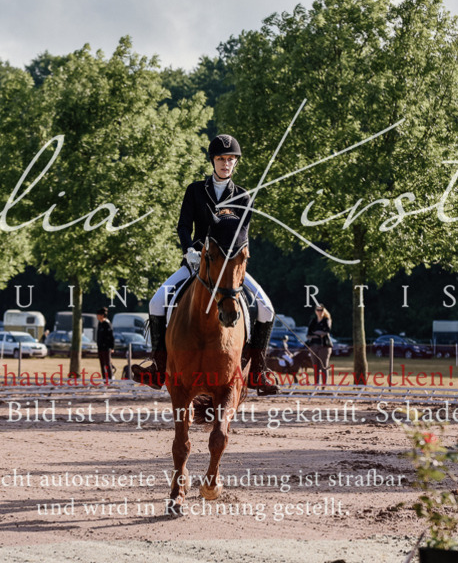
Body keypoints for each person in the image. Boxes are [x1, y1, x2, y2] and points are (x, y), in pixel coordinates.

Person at [136, 134, 278, 395]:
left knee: (266, 308)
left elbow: (243, 233)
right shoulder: (195, 190)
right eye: (221, 159)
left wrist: (236, 258)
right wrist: (188, 248)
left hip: (231, 267)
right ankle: (158, 367)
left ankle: (258, 372)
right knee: (156, 302)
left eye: (231, 159)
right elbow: (183, 225)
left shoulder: (244, 196)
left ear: (236, 163)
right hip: (197, 263)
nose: (226, 164)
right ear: (213, 161)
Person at [307, 304, 333, 385]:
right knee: (315, 367)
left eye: (321, 310)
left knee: (324, 366)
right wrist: (317, 334)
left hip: (324, 346)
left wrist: (316, 334)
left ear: (323, 311)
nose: (319, 312)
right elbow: (308, 334)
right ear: (315, 311)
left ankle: (324, 385)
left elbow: (326, 332)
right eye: (318, 310)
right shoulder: (313, 321)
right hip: (313, 345)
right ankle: (316, 385)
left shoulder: (326, 320)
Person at [96, 308, 115, 385]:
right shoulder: (100, 323)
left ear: (102, 315)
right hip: (100, 347)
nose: (97, 316)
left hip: (106, 348)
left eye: (98, 315)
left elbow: (111, 337)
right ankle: (105, 380)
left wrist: (112, 347)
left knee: (107, 363)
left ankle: (110, 379)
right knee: (102, 364)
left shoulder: (107, 324)